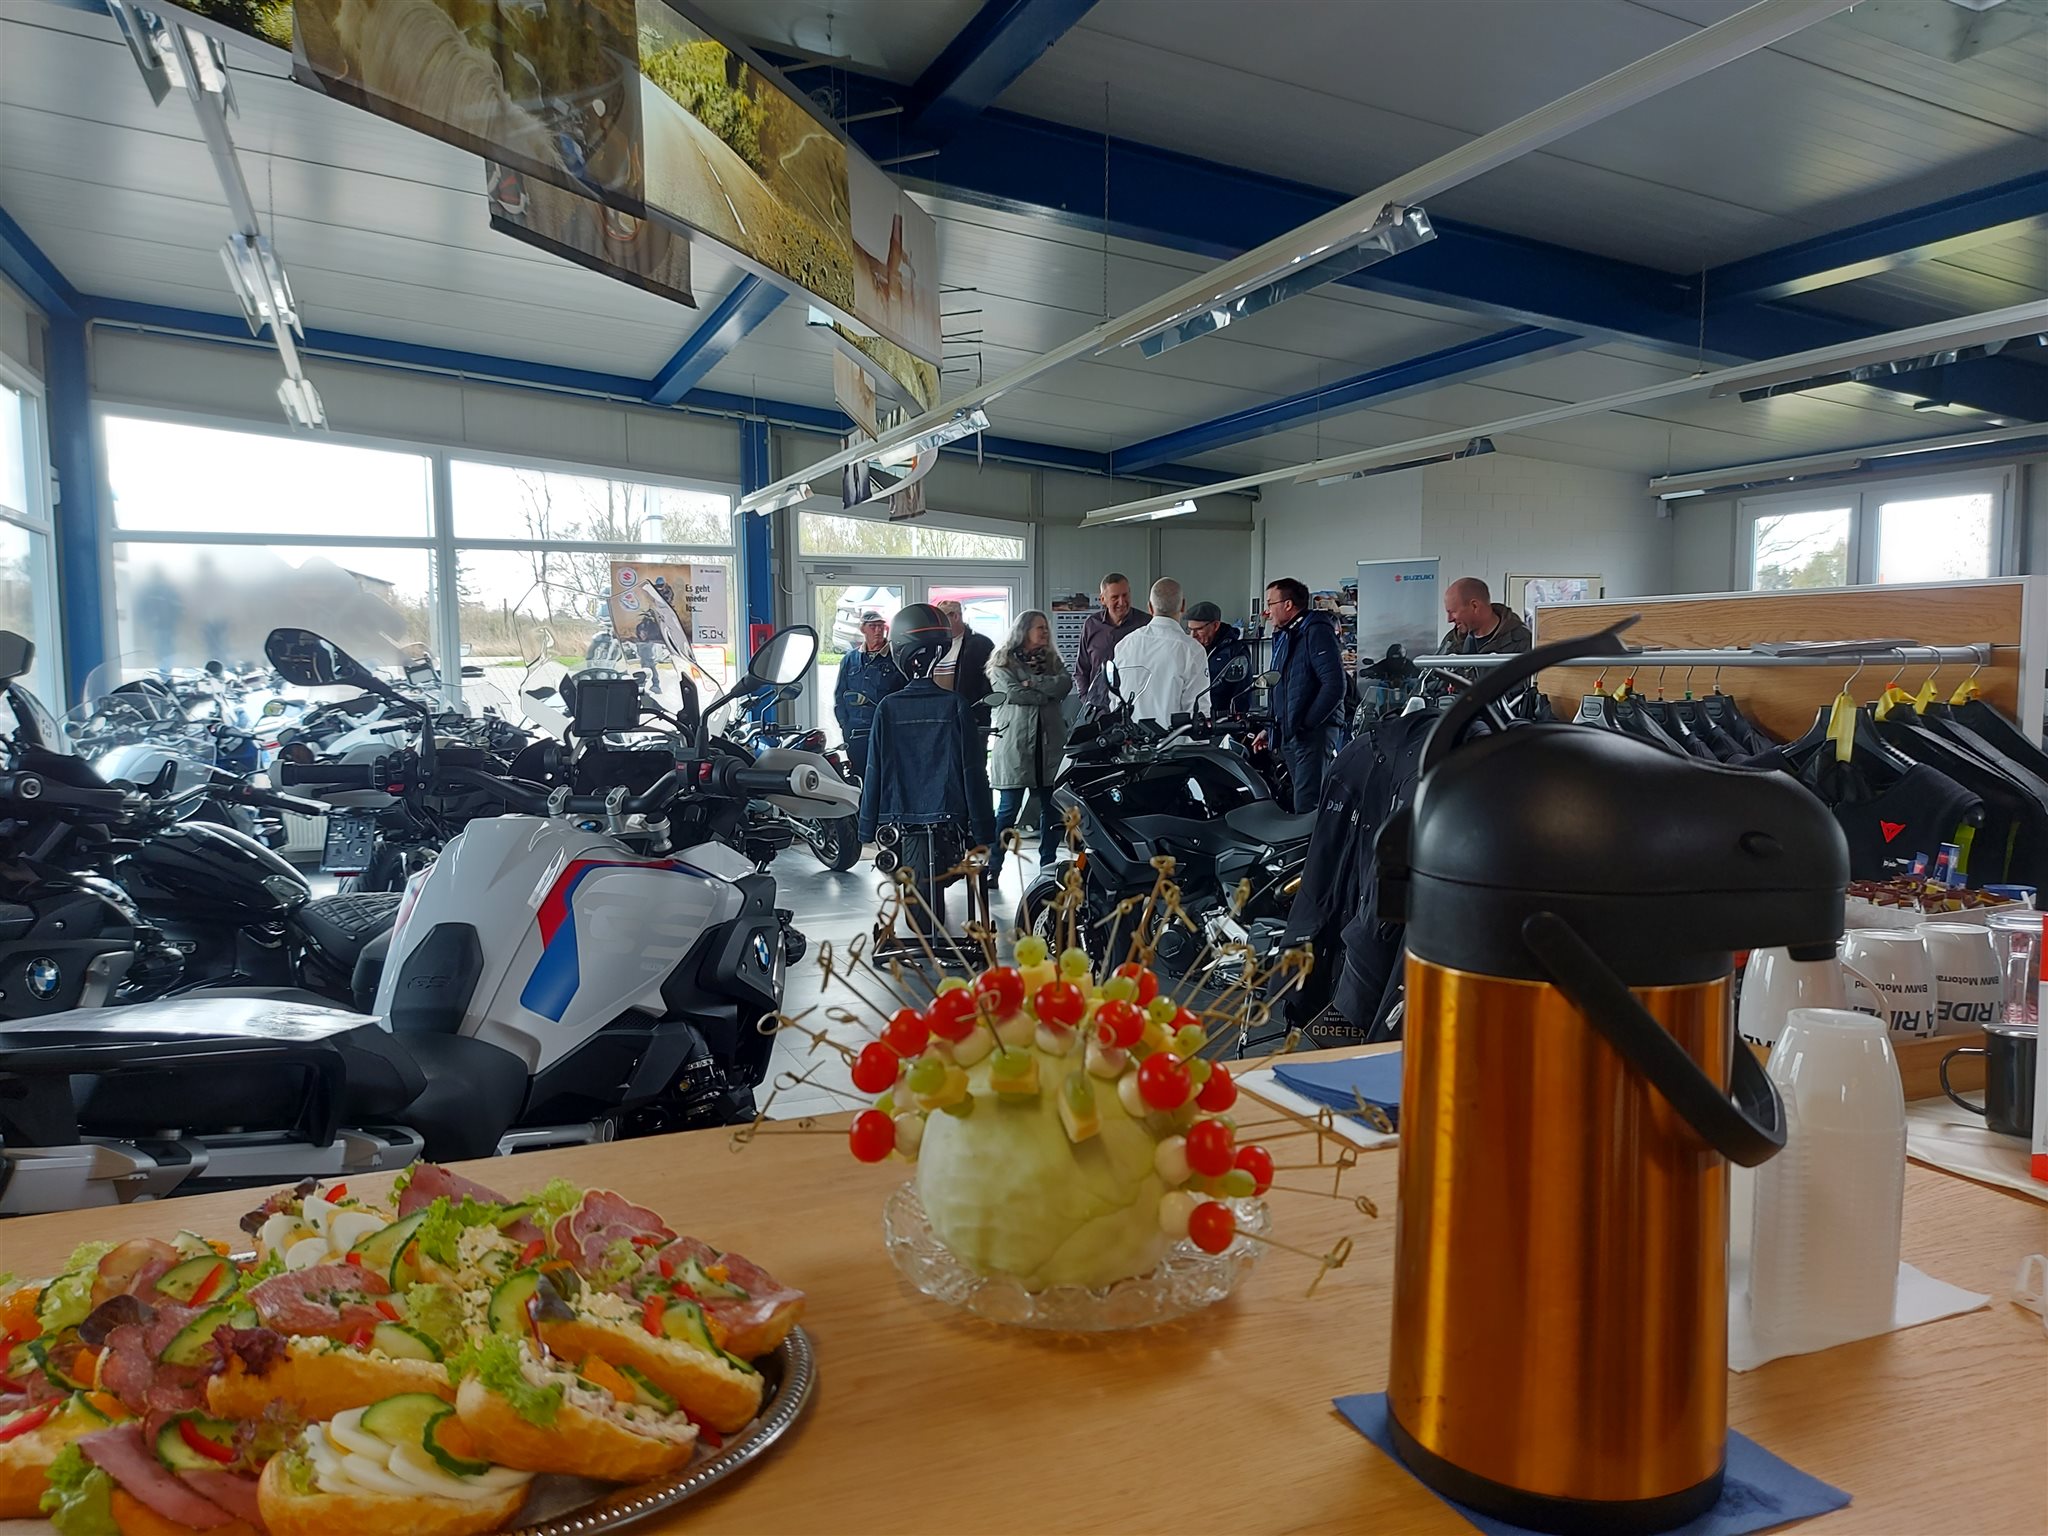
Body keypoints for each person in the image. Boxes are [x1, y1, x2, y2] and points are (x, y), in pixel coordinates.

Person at [858, 602, 996, 861]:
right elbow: (972, 771)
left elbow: (874, 768)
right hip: (949, 809)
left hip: (898, 810)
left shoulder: (888, 707)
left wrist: (866, 827)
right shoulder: (956, 704)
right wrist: (982, 829)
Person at [985, 610, 1073, 883]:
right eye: (1039, 627)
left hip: (1049, 747)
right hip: (1016, 746)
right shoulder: (1002, 661)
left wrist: (1033, 682)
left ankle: (1048, 867)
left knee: (1052, 810)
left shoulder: (1053, 661)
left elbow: (1064, 686)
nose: (1045, 632)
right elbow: (1012, 693)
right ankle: (993, 867)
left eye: (1046, 627)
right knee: (1007, 811)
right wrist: (1045, 694)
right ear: (1023, 631)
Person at [1263, 577, 1346, 812]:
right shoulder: (1288, 635)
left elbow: (1334, 685)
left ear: (1288, 604)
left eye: (1270, 604)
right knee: (1298, 803)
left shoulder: (1315, 632)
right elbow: (1283, 688)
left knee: (1308, 806)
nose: (1267, 612)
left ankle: (1313, 839)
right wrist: (1270, 728)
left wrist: (1306, 724)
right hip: (1293, 734)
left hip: (1311, 735)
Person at [1112, 577, 1209, 727]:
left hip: (1130, 740)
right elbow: (1198, 713)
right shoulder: (1193, 651)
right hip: (1174, 741)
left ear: (1150, 607)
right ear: (1183, 606)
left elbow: (1114, 701)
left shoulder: (1124, 645)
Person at [833, 609, 904, 780]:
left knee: (885, 776)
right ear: (862, 629)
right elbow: (840, 694)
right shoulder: (850, 659)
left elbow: (904, 695)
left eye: (881, 626)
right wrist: (844, 723)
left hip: (885, 730)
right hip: (855, 730)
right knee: (859, 775)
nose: (878, 630)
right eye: (873, 626)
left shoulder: (896, 658)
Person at [1073, 572, 1148, 717]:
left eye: (1125, 595)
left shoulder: (1145, 625)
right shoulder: (1091, 625)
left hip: (1134, 712)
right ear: (1103, 599)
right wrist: (1087, 701)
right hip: (1098, 713)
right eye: (1115, 597)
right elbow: (1081, 670)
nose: (1122, 602)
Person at [930, 600, 996, 728]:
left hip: (970, 718)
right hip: (938, 718)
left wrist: (979, 713)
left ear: (955, 616)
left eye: (942, 619)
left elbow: (988, 683)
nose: (939, 624)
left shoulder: (980, 645)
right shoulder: (934, 645)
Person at [1439, 576, 1531, 657]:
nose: (1450, 619)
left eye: (1453, 612)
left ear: (1474, 606)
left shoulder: (1522, 641)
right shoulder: (1451, 641)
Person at [1187, 601, 1252, 715]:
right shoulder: (1190, 649)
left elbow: (1241, 694)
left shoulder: (1236, 651)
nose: (1193, 635)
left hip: (1222, 720)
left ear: (1215, 625)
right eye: (1190, 630)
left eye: (1198, 629)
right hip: (1194, 717)